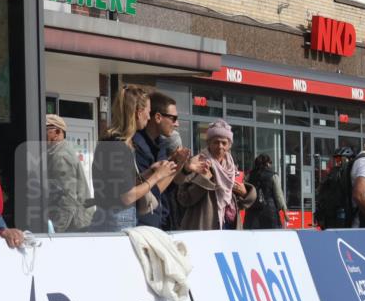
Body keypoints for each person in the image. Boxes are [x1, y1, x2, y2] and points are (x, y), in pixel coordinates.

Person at [90, 85, 177, 232]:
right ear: (138, 112)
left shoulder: (116, 142)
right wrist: (157, 176)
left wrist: (150, 171)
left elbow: (122, 185)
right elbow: (127, 196)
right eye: (148, 112)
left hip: (115, 220)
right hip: (116, 223)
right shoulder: (117, 145)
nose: (149, 117)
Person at [133, 91, 203, 230]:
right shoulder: (137, 146)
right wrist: (178, 166)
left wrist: (184, 167)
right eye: (173, 118)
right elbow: (150, 191)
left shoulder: (160, 145)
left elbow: (169, 185)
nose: (176, 124)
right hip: (142, 225)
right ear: (158, 117)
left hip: (160, 219)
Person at [176, 120, 256, 230]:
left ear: (229, 145)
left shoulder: (231, 168)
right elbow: (183, 199)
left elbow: (233, 202)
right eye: (216, 142)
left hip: (229, 226)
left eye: (224, 143)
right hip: (205, 229)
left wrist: (245, 193)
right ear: (208, 143)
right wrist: (203, 180)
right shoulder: (198, 163)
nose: (220, 146)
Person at [45, 114, 93, 232]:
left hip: (73, 225)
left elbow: (67, 199)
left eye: (45, 130)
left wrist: (56, 230)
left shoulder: (61, 156)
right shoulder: (56, 152)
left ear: (57, 132)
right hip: (74, 222)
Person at [244, 154, 288, 229]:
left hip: (252, 213)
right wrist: (285, 212)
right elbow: (279, 195)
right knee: (271, 237)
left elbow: (245, 193)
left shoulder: (249, 176)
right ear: (267, 163)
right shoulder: (273, 176)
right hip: (270, 213)